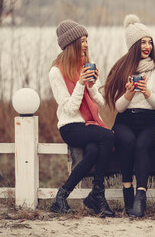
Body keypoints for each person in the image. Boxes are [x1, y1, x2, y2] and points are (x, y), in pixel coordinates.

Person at [103, 14, 155, 218]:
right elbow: (118, 107)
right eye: (142, 42)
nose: (147, 46)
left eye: (149, 41)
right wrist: (129, 93)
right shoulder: (122, 68)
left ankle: (141, 195)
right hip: (125, 121)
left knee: (142, 145)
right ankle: (127, 189)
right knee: (128, 141)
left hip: (149, 122)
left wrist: (147, 92)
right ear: (133, 46)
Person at [48, 19, 115, 217]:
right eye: (82, 40)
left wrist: (92, 84)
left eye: (86, 40)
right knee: (109, 136)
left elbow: (101, 103)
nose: (86, 44)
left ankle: (61, 197)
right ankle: (98, 194)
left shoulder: (85, 66)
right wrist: (80, 83)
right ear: (71, 44)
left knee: (94, 150)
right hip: (71, 127)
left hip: (88, 124)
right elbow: (69, 109)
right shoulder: (56, 72)